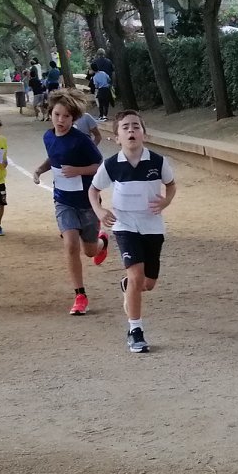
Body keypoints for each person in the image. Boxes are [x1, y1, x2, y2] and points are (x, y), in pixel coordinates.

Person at [89, 110, 176, 354]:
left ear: (144, 134)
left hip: (152, 226)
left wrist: (165, 201)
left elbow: (171, 185)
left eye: (136, 126)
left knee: (147, 283)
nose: (131, 131)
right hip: (125, 225)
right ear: (117, 137)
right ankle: (135, 331)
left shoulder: (158, 162)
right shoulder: (111, 165)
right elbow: (93, 190)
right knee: (137, 276)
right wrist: (99, 211)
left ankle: (128, 285)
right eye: (125, 127)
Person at [33, 92, 107, 318]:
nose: (61, 120)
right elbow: (53, 158)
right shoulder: (48, 136)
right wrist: (39, 170)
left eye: (66, 116)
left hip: (87, 202)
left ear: (73, 118)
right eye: (57, 114)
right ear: (50, 113)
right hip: (63, 201)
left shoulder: (81, 140)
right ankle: (80, 295)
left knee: (90, 251)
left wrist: (78, 171)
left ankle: (102, 242)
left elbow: (99, 165)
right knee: (71, 244)